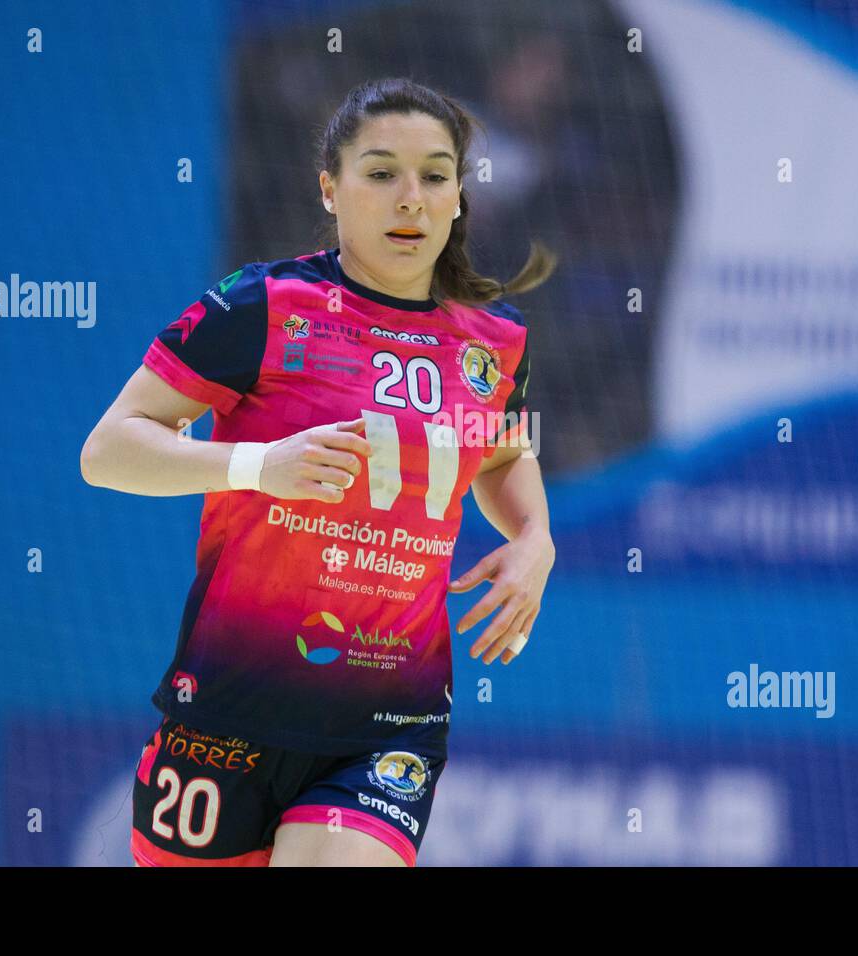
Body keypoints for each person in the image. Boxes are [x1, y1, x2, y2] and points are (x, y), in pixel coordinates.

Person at [80, 77, 557, 867]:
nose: (411, 198)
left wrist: (535, 537)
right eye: (381, 173)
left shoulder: (495, 342)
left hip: (386, 724)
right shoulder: (264, 305)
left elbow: (504, 452)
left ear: (458, 196)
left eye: (435, 176)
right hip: (229, 711)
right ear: (330, 189)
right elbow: (110, 451)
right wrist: (259, 466)